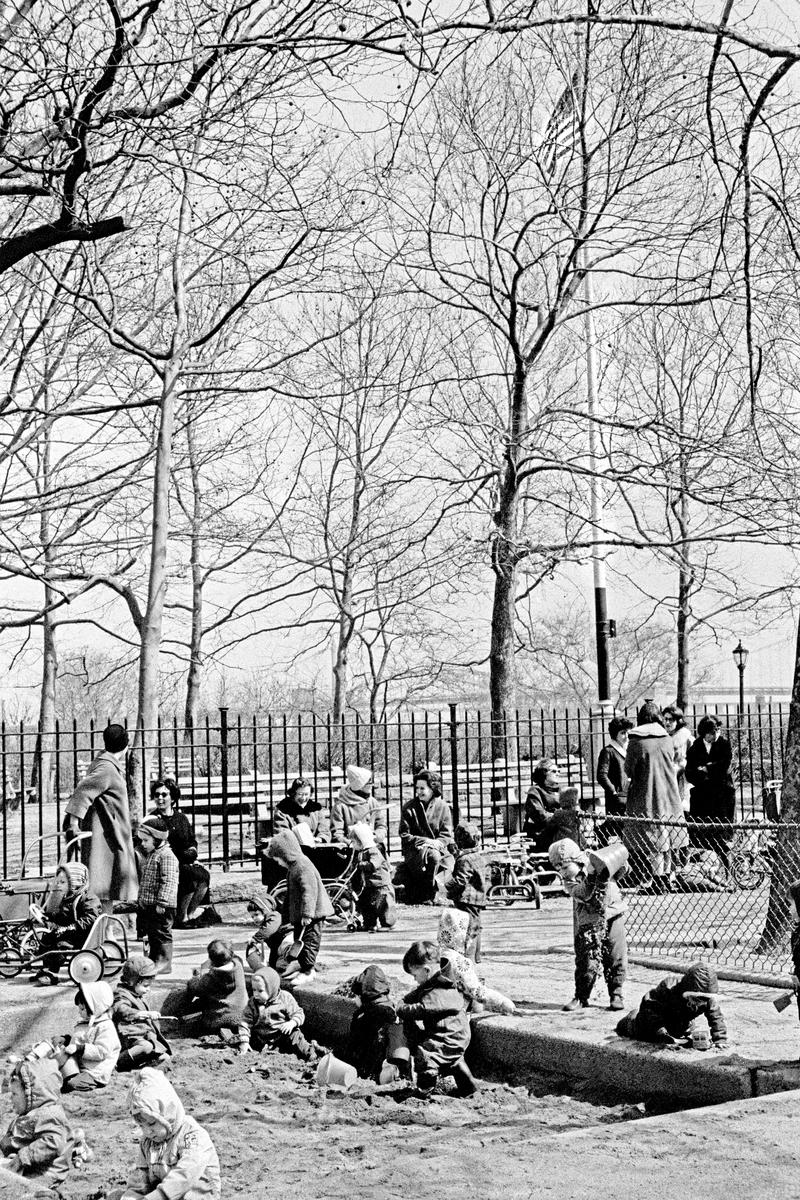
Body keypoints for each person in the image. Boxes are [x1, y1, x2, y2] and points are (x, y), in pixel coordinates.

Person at [109, 1067, 220, 1200]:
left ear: (167, 1113)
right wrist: (132, 1196)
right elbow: (140, 1178)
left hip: (196, 1195)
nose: (147, 1131)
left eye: (151, 1124)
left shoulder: (192, 1135)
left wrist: (156, 1197)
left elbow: (185, 1176)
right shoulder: (147, 1142)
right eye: (141, 1126)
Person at [63, 722, 138, 907]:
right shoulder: (106, 768)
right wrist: (73, 822)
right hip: (108, 838)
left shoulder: (105, 764)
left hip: (110, 833)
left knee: (108, 888)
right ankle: (104, 931)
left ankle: (107, 930)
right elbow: (82, 792)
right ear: (125, 744)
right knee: (106, 886)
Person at [549, 837, 627, 1012]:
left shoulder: (597, 861)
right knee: (586, 960)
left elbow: (621, 871)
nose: (562, 872)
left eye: (564, 867)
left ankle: (616, 993)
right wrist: (592, 875)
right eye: (557, 869)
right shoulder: (570, 881)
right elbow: (583, 893)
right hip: (588, 923)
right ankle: (581, 996)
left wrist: (616, 861)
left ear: (577, 860)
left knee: (616, 956)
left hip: (613, 913)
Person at [398, 940, 476, 1097]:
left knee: (426, 1055)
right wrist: (405, 1000)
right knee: (454, 1061)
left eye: (414, 975)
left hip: (449, 1036)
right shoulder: (436, 981)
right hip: (454, 1032)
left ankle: (424, 1089)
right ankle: (470, 1089)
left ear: (426, 970)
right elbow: (418, 993)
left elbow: (422, 1009)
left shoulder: (439, 991)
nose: (414, 979)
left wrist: (401, 1009)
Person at [624, 701, 688, 891]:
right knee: (668, 835)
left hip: (647, 793)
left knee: (653, 839)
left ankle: (657, 881)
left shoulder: (636, 741)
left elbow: (629, 769)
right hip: (669, 792)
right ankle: (667, 877)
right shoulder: (667, 738)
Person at [263, 831, 334, 983]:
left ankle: (308, 971)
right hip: (301, 915)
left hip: (313, 914)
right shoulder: (294, 867)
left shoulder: (302, 866)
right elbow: (292, 894)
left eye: (277, 858)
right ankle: (300, 964)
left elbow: (309, 892)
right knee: (298, 940)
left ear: (285, 854)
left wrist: (308, 913)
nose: (277, 862)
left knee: (309, 942)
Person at [148, 778, 216, 927]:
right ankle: (181, 917)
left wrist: (193, 851)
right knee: (188, 874)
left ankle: (190, 914)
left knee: (204, 875)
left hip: (184, 859)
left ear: (172, 798)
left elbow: (191, 840)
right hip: (165, 861)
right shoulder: (153, 819)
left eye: (164, 795)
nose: (160, 798)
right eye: (157, 795)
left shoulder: (181, 818)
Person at [0, 1056, 74, 1188]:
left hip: (43, 1173)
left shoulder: (49, 1115)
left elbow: (53, 1142)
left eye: (15, 1094)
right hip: (28, 1166)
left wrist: (23, 1157)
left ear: (31, 1094)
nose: (11, 1099)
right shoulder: (32, 1112)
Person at [615, 962, 728, 1047]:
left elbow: (716, 1016)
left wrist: (720, 1039)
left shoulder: (706, 998)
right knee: (634, 1029)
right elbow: (649, 1008)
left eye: (703, 1000)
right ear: (687, 991)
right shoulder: (668, 988)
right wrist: (661, 1033)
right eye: (696, 999)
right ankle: (631, 1018)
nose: (700, 1003)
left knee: (684, 1030)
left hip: (678, 1023)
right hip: (649, 1021)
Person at [31, 862, 102, 986]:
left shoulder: (88, 898)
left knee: (60, 946)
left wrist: (70, 927)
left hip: (81, 936)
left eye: (63, 882)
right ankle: (46, 969)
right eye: (58, 881)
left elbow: (90, 918)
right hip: (70, 933)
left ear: (75, 883)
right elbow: (61, 917)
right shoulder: (67, 898)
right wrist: (47, 917)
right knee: (47, 938)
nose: (59, 885)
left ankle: (53, 974)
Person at [163, 939, 248, 1041]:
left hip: (221, 1017)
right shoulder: (238, 964)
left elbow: (194, 988)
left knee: (189, 1025)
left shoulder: (212, 978)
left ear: (211, 959)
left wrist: (196, 976)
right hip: (241, 1012)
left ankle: (169, 1018)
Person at [685, 715, 737, 873]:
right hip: (703, 796)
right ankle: (707, 864)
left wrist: (707, 768)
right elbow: (690, 772)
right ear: (704, 733)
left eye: (718, 731)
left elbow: (725, 766)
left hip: (722, 795)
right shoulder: (695, 747)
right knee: (703, 832)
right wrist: (704, 776)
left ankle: (727, 866)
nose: (716, 735)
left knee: (721, 833)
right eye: (712, 732)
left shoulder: (724, 744)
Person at [238, 966, 319, 1061]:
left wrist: (292, 1023)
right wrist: (244, 1041)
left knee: (295, 1035)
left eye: (260, 991)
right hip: (261, 1037)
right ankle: (261, 1048)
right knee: (247, 1038)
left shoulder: (285, 998)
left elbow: (299, 1013)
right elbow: (245, 1022)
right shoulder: (253, 1003)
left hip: (281, 1034)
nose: (256, 994)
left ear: (272, 988)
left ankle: (310, 1053)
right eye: (254, 990)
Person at [398, 770, 455, 904]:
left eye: (422, 788)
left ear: (432, 788)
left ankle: (439, 892)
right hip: (415, 850)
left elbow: (447, 833)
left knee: (443, 858)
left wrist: (436, 843)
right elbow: (404, 834)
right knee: (433, 856)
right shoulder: (409, 808)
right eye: (417, 788)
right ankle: (427, 893)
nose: (419, 791)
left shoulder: (443, 807)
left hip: (438, 847)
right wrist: (424, 841)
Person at [347, 964, 410, 1083]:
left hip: (374, 1068)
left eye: (355, 996)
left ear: (362, 995)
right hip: (398, 1057)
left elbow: (354, 1046)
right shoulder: (392, 1009)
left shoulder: (363, 1015)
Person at [55, 981, 120, 1092]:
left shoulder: (105, 1027)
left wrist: (79, 1048)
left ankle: (91, 1083)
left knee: (71, 1084)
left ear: (95, 1008)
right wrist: (66, 1039)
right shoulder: (87, 1022)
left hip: (95, 1070)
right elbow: (80, 1038)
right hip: (81, 1064)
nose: (79, 1012)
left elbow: (102, 1052)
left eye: (82, 1009)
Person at [113, 954, 171, 1072]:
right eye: (145, 985)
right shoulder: (121, 994)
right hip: (129, 1037)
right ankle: (117, 1063)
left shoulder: (137, 993)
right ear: (132, 981)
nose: (148, 989)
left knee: (163, 1055)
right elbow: (121, 1009)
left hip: (143, 1033)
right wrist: (143, 1014)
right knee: (146, 1047)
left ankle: (141, 1065)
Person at [136, 815, 179, 974]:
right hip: (151, 905)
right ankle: (155, 959)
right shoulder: (153, 854)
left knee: (162, 933)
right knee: (153, 934)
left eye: (146, 840)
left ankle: (165, 962)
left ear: (157, 839)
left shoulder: (166, 856)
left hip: (162, 906)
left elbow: (169, 881)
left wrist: (162, 902)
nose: (143, 844)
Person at [445, 822, 487, 961]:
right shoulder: (478, 856)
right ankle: (476, 956)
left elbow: (460, 880)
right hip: (478, 897)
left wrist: (447, 886)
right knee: (476, 926)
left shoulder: (464, 859)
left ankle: (468, 957)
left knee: (468, 929)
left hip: (466, 898)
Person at [349, 821, 397, 931]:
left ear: (361, 841)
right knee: (367, 905)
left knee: (383, 905)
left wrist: (361, 864)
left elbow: (374, 864)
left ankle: (387, 924)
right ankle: (369, 923)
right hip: (368, 885)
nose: (353, 845)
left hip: (380, 884)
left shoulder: (374, 851)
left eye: (354, 842)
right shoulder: (361, 852)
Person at [330, 765, 386, 846]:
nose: (372, 785)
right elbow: (337, 833)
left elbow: (381, 825)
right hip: (351, 849)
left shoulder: (372, 802)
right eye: (369, 783)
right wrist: (352, 843)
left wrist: (377, 835)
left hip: (373, 844)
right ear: (360, 785)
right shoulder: (340, 806)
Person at [596, 716, 633, 816]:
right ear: (615, 734)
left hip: (629, 797)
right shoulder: (608, 751)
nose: (626, 736)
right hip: (616, 800)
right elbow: (601, 775)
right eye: (622, 733)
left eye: (628, 733)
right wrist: (613, 792)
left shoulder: (629, 751)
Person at [273, 777, 330, 842]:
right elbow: (282, 833)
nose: (303, 798)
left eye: (306, 794)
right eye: (300, 794)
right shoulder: (282, 809)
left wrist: (320, 839)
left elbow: (324, 830)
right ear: (293, 794)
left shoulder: (316, 809)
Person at [523, 759, 562, 849]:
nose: (558, 774)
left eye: (558, 771)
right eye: (554, 771)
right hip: (541, 831)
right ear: (544, 773)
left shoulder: (559, 790)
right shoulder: (535, 791)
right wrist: (560, 817)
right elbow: (539, 816)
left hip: (558, 828)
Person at [662, 706, 693, 815]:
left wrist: (682, 766)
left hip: (682, 779)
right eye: (665, 719)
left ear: (678, 721)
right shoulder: (662, 736)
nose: (667, 722)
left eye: (671, 720)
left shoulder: (686, 737)